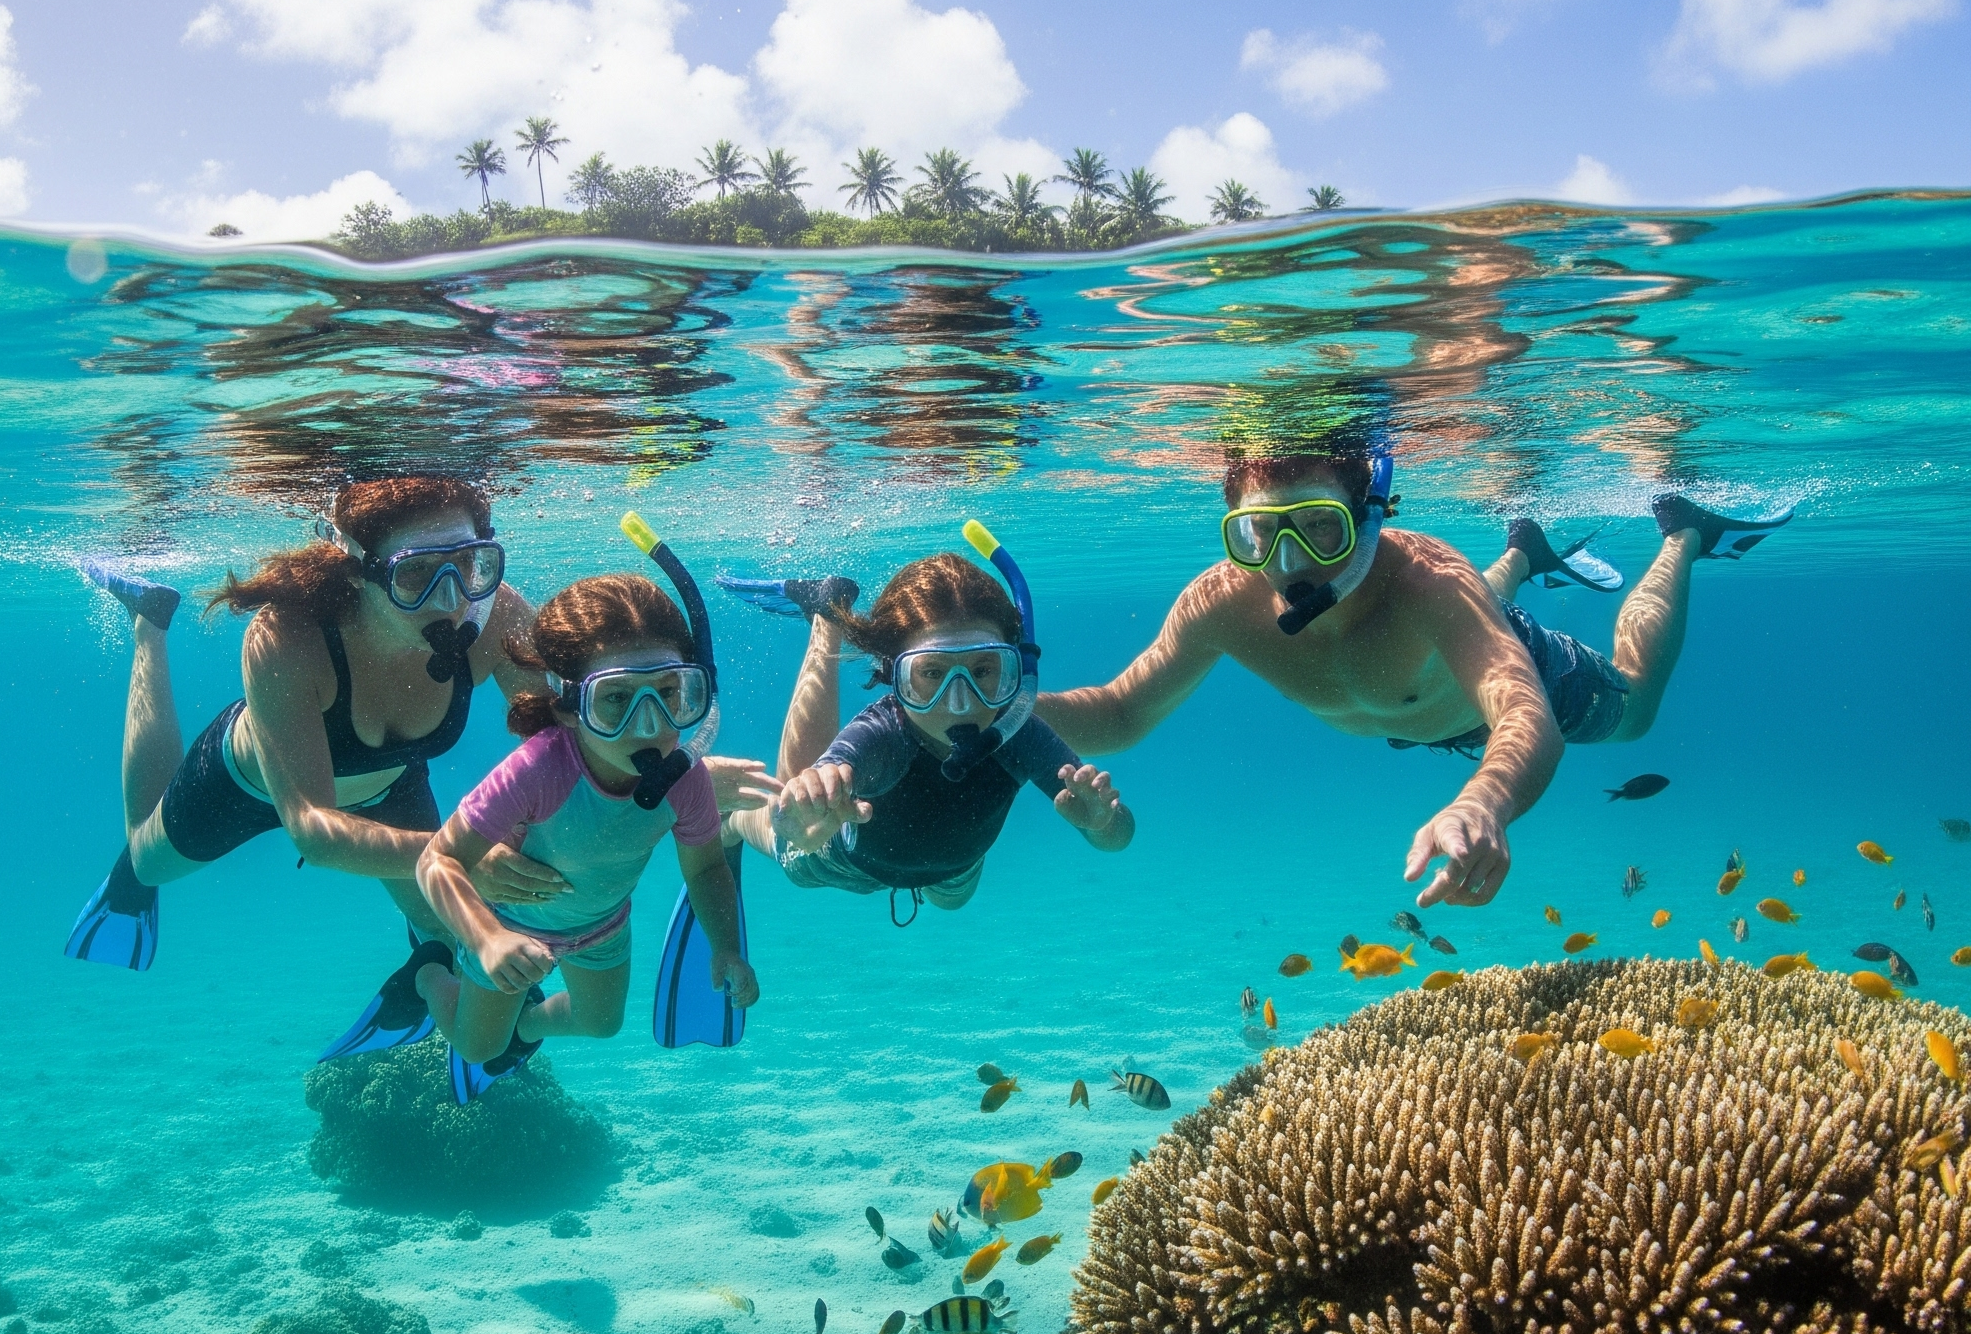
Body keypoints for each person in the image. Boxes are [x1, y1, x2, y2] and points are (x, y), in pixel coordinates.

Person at [1036, 434, 1791, 909]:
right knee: (1444, 619)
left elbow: (1525, 715)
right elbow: (1119, 712)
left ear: (1367, 517)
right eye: (1259, 534)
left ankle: (1684, 532)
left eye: (1321, 530)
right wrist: (1000, 705)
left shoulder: (1427, 580)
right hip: (1421, 681)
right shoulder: (1219, 602)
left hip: (1480, 673)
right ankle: (1525, 548)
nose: (1288, 565)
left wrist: (1485, 803)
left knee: (1636, 708)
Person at [66, 475, 559, 970]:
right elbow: (313, 831)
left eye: (469, 564)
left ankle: (426, 974)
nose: (451, 600)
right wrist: (462, 855)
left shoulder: (496, 614)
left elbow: (566, 740)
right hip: (250, 785)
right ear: (353, 572)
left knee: (445, 927)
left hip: (391, 782)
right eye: (415, 574)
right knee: (143, 864)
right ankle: (149, 622)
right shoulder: (286, 636)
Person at [408, 567, 765, 1073]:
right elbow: (437, 862)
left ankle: (526, 1026)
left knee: (600, 1024)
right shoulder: (539, 769)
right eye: (616, 699)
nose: (649, 726)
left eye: (668, 694)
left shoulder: (686, 780)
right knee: (476, 1047)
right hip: (509, 923)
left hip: (603, 927)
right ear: (571, 705)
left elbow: (707, 870)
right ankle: (427, 970)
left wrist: (726, 948)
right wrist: (486, 940)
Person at [723, 525, 1133, 922]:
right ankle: (731, 822)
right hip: (847, 862)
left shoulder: (1020, 731)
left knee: (953, 901)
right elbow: (834, 766)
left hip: (956, 868)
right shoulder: (883, 735)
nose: (960, 703)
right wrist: (812, 790)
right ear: (893, 676)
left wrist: (1102, 823)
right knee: (789, 840)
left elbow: (1120, 835)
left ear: (1017, 670)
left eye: (984, 669)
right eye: (933, 674)